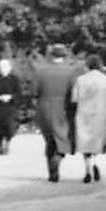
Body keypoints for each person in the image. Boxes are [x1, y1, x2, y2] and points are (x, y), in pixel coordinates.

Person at [31, 44, 82, 184]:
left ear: (51, 55)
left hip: (44, 108)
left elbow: (33, 92)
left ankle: (52, 170)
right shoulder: (70, 72)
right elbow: (74, 93)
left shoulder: (40, 71)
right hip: (63, 108)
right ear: (64, 56)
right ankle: (57, 160)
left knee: (49, 140)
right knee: (62, 139)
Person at [68, 54, 106, 185]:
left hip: (84, 114)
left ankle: (88, 168)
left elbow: (74, 99)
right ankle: (94, 163)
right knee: (96, 143)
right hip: (100, 114)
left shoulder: (80, 80)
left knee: (85, 144)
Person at [0, 57, 20, 155]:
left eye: (5, 66)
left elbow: (19, 93)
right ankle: (0, 146)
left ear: (10, 68)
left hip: (10, 106)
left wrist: (11, 97)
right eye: (1, 67)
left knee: (10, 127)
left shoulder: (15, 79)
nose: (3, 68)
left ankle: (7, 143)